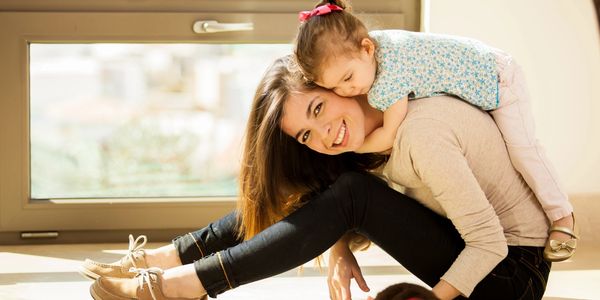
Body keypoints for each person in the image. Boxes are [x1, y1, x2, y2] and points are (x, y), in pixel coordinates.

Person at [83, 56, 551, 300]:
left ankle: (183, 286)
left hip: (510, 275)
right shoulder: (374, 127)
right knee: (338, 186)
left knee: (352, 193)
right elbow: (338, 196)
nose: (324, 133)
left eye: (319, 106)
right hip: (480, 252)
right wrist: (339, 245)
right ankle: (171, 258)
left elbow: (488, 242)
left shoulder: (421, 133)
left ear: (338, 83)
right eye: (307, 132)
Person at [293, 0, 577, 262]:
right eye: (335, 89)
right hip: (484, 74)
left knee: (523, 150)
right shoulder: (371, 47)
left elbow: (390, 135)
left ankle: (563, 217)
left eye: (348, 78)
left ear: (367, 48)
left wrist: (354, 146)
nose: (347, 91)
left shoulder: (390, 77)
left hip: (499, 79)